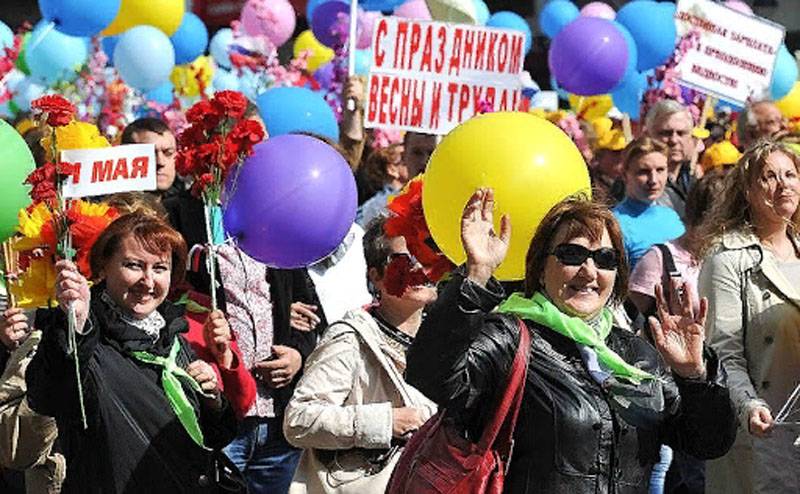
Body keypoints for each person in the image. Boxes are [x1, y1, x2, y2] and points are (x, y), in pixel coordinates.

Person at [406, 189, 737, 493]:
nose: (590, 271)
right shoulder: (511, 337)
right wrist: (477, 275)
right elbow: (431, 375)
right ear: (539, 268)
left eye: (605, 259)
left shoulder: (636, 355)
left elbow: (707, 442)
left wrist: (695, 377)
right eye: (572, 254)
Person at [25, 212, 239, 492]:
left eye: (160, 268)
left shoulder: (170, 334)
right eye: (134, 266)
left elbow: (210, 438)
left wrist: (212, 402)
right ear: (103, 267)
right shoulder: (84, 336)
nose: (148, 282)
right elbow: (50, 396)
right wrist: (74, 327)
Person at [283, 217, 437, 493]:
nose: (419, 269)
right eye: (404, 261)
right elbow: (298, 420)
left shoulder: (444, 338)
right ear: (376, 276)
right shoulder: (349, 338)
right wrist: (386, 422)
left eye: (425, 255)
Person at [697, 140, 800, 494]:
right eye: (769, 177)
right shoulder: (726, 257)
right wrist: (748, 405)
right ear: (747, 191)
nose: (783, 184)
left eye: (790, 174)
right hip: (762, 432)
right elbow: (722, 353)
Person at [627, 169, 726, 494]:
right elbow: (641, 316)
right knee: (688, 473)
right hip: (676, 383)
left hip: (721, 380)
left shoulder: (732, 259)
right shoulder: (662, 258)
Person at [613, 137, 686, 269]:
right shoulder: (615, 224)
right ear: (625, 175)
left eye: (660, 170)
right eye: (643, 172)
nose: (653, 180)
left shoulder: (671, 215)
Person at [356, 132, 436, 227]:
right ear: (404, 156)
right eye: (417, 153)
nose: (424, 160)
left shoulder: (453, 204)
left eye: (431, 152)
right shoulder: (380, 209)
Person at [645, 100, 700, 218]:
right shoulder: (637, 183)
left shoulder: (692, 182)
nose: (674, 140)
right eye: (666, 133)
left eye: (681, 133)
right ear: (649, 136)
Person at [120, 118, 180, 198]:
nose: (160, 162)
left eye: (168, 153)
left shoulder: (193, 207)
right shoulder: (104, 207)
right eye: (149, 154)